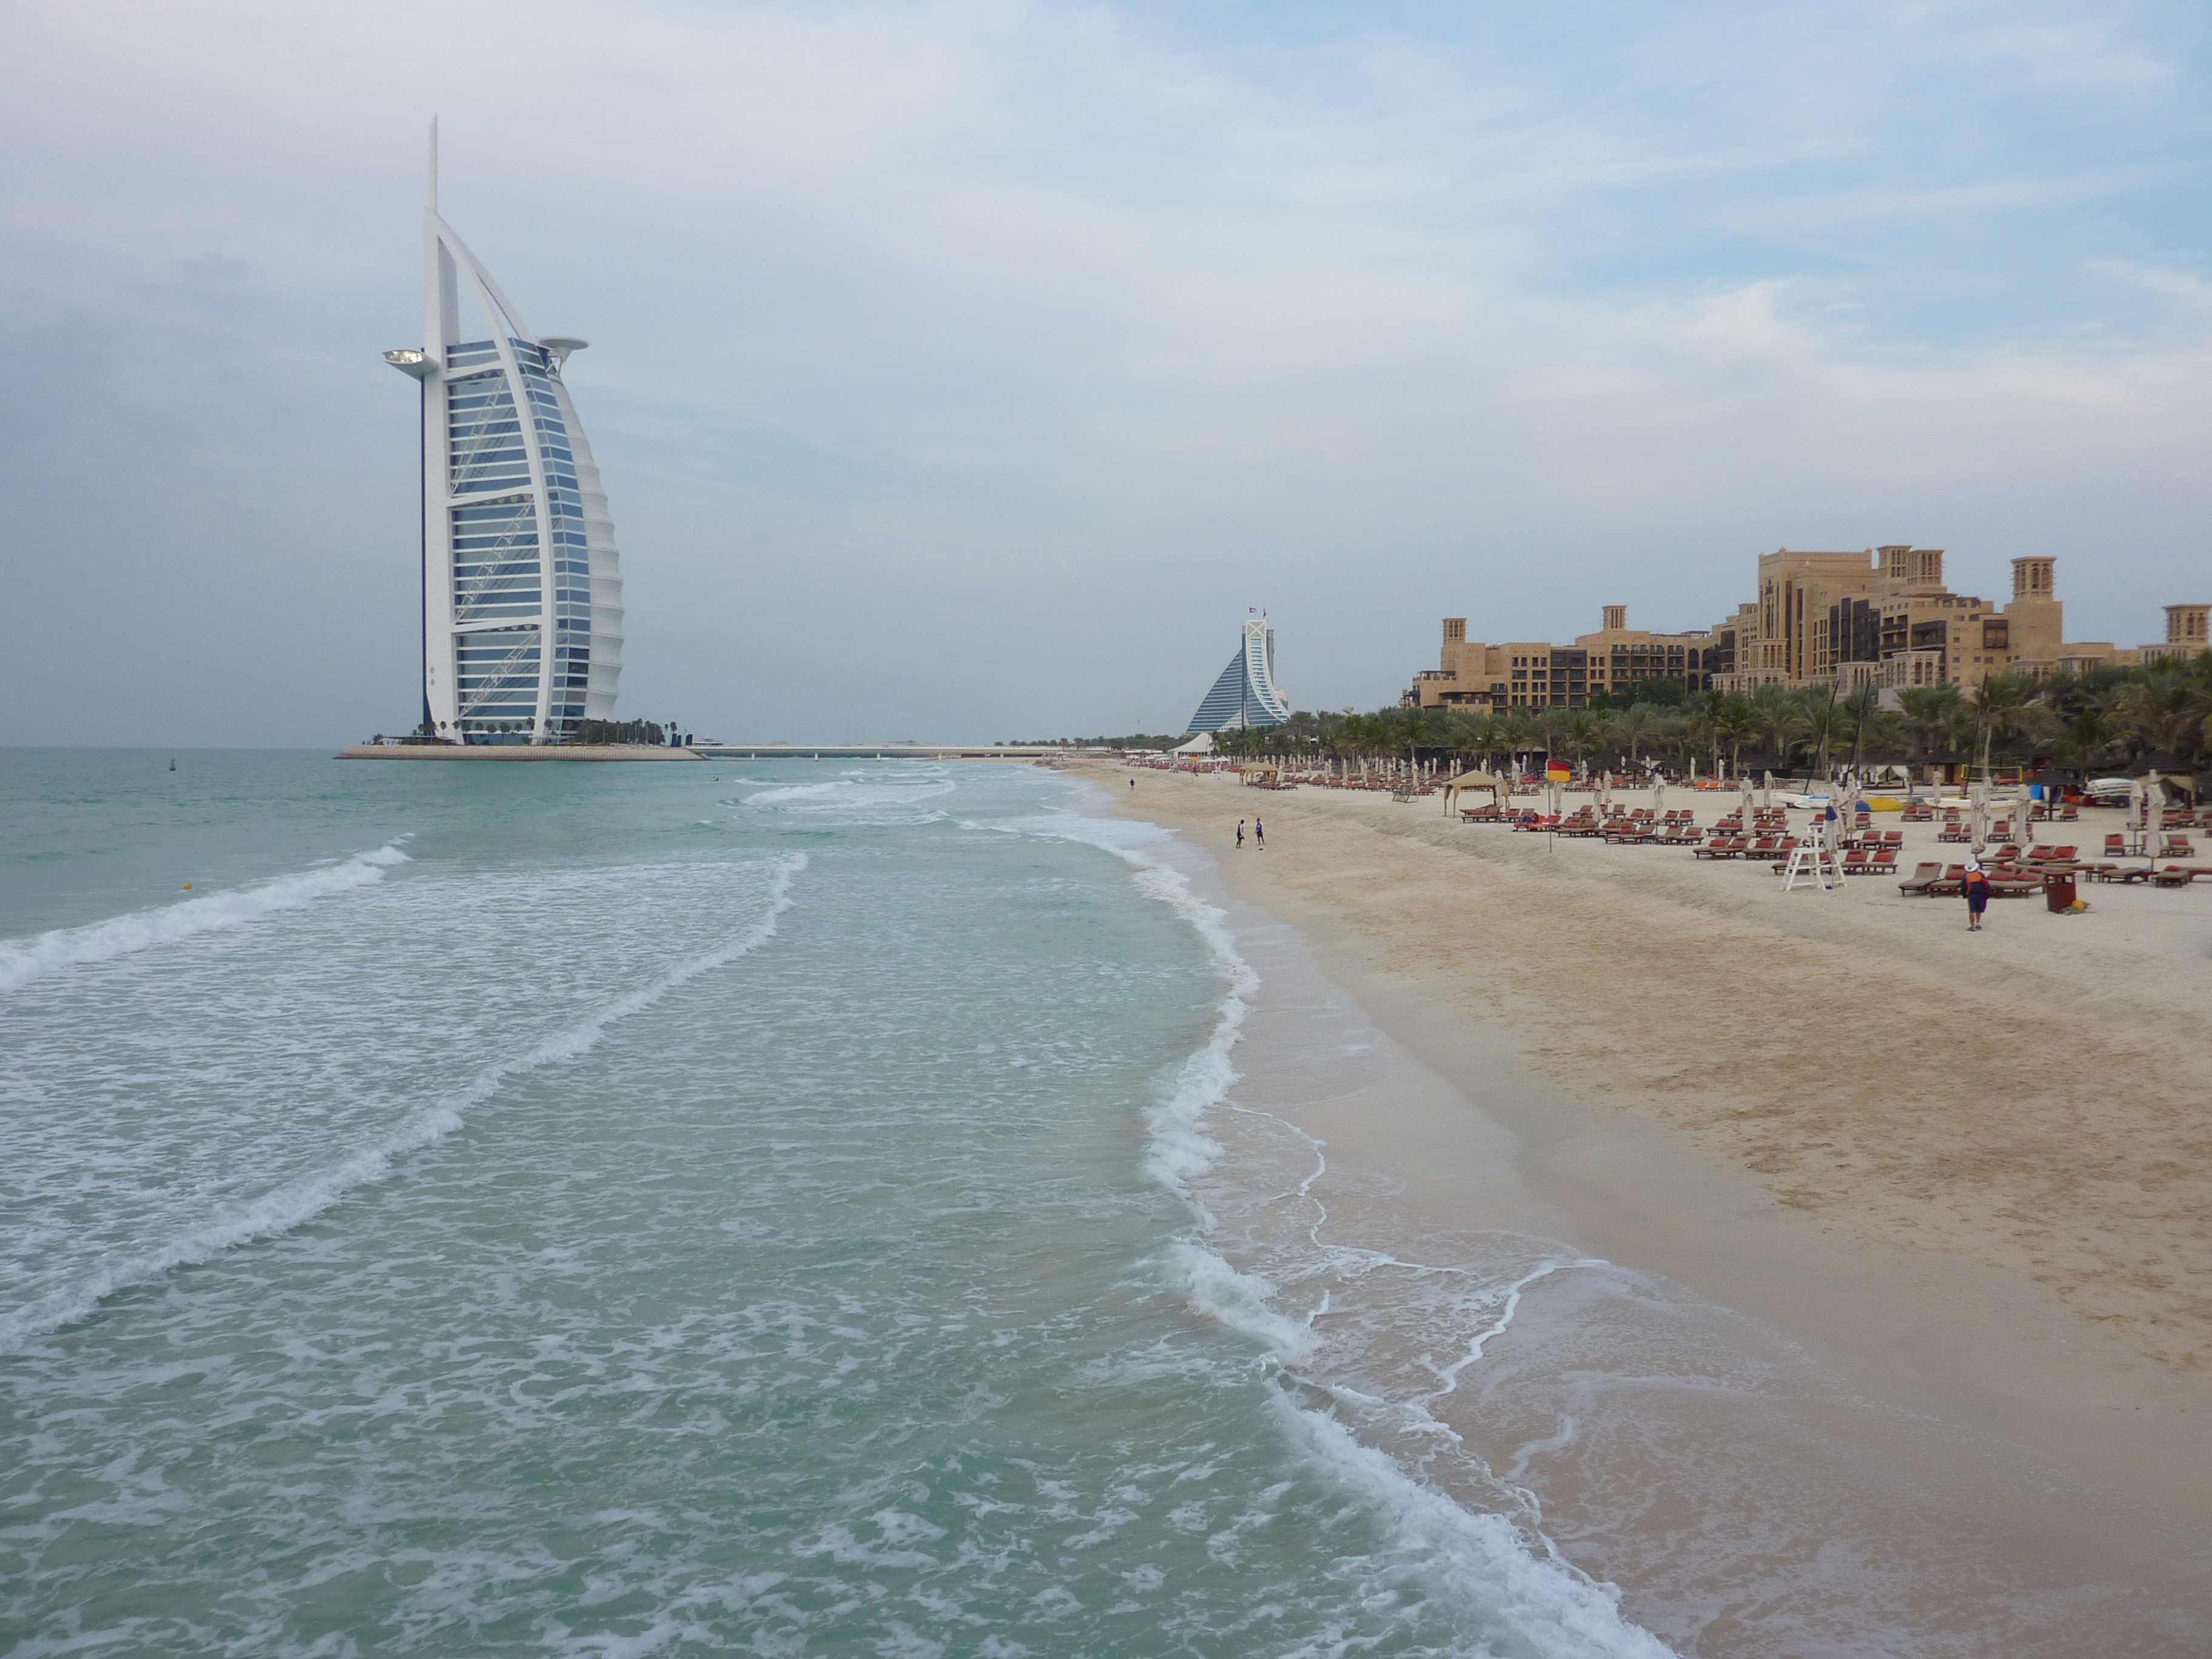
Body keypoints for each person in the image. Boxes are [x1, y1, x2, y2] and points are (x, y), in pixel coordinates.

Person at [1962, 857, 1991, 931]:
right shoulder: (1980, 874)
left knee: (1972, 911)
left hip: (1971, 895)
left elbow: (1964, 886)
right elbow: (1986, 885)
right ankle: (1978, 923)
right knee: (1979, 910)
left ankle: (1973, 927)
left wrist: (1965, 895)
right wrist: (1987, 894)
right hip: (1981, 894)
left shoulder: (1966, 876)